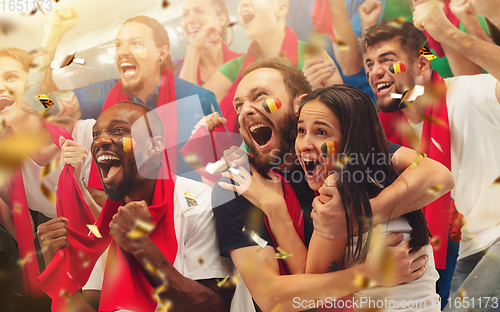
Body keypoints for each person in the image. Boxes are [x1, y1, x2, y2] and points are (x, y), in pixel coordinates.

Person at [210, 58, 455, 311]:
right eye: (238, 105)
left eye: (260, 96)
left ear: (299, 104)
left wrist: (359, 215)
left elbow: (439, 175)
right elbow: (272, 298)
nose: (246, 110)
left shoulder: (346, 166)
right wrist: (368, 274)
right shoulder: (237, 186)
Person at [365, 2, 500, 309]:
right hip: (471, 246)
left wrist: (449, 33)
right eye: (370, 63)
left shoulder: (465, 94)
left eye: (387, 60)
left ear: (423, 66)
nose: (375, 71)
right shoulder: (388, 130)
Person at [37, 101, 234, 312]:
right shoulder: (104, 225)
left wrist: (140, 244)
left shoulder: (198, 202)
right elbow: (91, 305)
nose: (101, 141)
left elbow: (214, 307)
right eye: (95, 135)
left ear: (155, 146)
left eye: (118, 130)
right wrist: (56, 271)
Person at [258, 85, 439, 311]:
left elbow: (311, 293)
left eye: (321, 132)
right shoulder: (392, 175)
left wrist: (274, 209)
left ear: (351, 140)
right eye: (301, 131)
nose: (304, 144)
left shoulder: (337, 191)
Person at [24, 8, 222, 181]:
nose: (123, 52)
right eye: (119, 45)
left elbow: (226, 171)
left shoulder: (199, 99)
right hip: (129, 215)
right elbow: (38, 99)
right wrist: (52, 35)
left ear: (162, 53)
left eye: (135, 43)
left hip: (191, 214)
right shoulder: (103, 94)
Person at [0, 47, 95, 311]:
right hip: (62, 246)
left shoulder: (80, 132)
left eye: (10, 77)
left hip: (113, 234)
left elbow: (55, 106)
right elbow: (19, 224)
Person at [202, 0, 343, 136]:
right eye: (240, 1)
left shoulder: (312, 55)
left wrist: (310, 93)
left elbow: (345, 114)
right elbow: (192, 104)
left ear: (281, 8)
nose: (242, 4)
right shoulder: (236, 67)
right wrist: (194, 48)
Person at [175, 0, 242, 86]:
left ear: (221, 19)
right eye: (185, 14)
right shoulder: (175, 70)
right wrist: (193, 48)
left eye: (199, 11)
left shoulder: (244, 63)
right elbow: (187, 99)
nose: (190, 20)